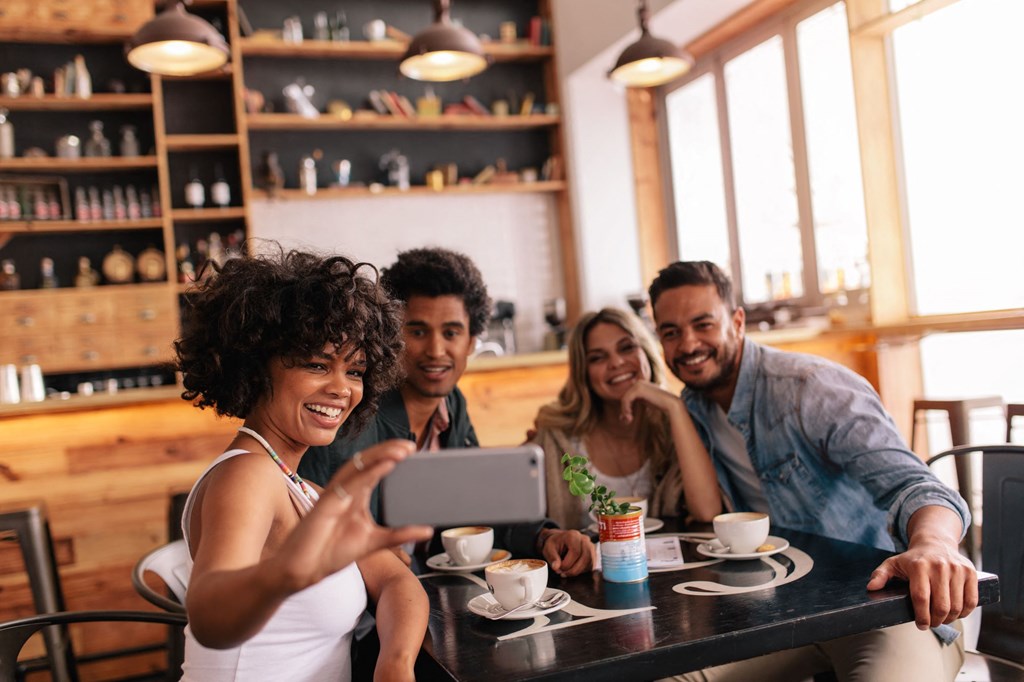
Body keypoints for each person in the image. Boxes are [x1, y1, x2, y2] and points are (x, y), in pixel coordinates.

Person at [648, 260, 977, 681]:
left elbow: (915, 485)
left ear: (737, 321)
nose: (688, 344)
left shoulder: (811, 388)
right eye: (671, 332)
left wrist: (933, 544)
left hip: (885, 607)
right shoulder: (694, 408)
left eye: (703, 324)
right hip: (782, 614)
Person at [174, 248, 433, 681]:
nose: (341, 389)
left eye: (355, 370)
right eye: (317, 364)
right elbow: (208, 615)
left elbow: (396, 582)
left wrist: (396, 662)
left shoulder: (301, 487)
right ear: (256, 368)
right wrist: (282, 576)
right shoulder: (249, 475)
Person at [300, 246, 595, 577]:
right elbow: (310, 540)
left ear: (471, 342)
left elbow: (477, 504)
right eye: (418, 331)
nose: (436, 350)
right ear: (391, 335)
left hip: (432, 596)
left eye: (451, 332)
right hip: (362, 613)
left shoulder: (451, 405)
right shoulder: (348, 417)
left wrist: (545, 536)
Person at [530, 307, 721, 530]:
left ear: (647, 354)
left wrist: (675, 406)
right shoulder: (557, 437)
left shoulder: (677, 427)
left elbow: (707, 512)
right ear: (584, 373)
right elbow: (525, 526)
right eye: (597, 358)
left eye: (627, 348)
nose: (616, 363)